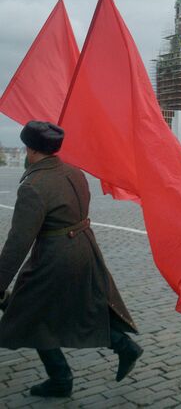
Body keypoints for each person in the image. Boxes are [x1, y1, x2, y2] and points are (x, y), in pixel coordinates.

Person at [0, 121, 142, 398]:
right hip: (84, 249)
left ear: (30, 149)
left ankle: (60, 378)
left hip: (54, 258)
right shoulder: (74, 172)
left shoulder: (34, 186)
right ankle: (123, 346)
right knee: (85, 307)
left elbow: (18, 242)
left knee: (34, 314)